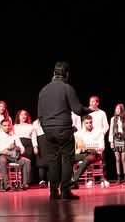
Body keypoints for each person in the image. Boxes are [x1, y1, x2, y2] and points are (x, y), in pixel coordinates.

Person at [37, 61, 92, 200]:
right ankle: (65, 191)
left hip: (48, 130)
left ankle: (53, 192)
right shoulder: (67, 88)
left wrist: (46, 128)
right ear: (66, 74)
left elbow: (40, 114)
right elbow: (78, 110)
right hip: (63, 129)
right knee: (67, 160)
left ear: (54, 73)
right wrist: (90, 109)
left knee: (53, 161)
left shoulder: (43, 90)